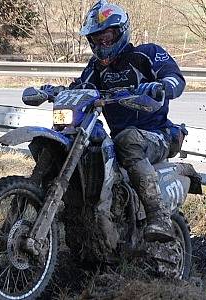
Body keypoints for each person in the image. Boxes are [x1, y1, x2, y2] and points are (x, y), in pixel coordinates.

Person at [42, 0, 185, 243]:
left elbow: (176, 78)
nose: (102, 43)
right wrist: (52, 91)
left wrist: (161, 86)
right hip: (122, 138)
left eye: (107, 36)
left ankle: (157, 215)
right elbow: (81, 88)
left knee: (127, 139)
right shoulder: (96, 68)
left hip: (158, 135)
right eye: (96, 39)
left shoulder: (146, 54)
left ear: (120, 31)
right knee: (78, 140)